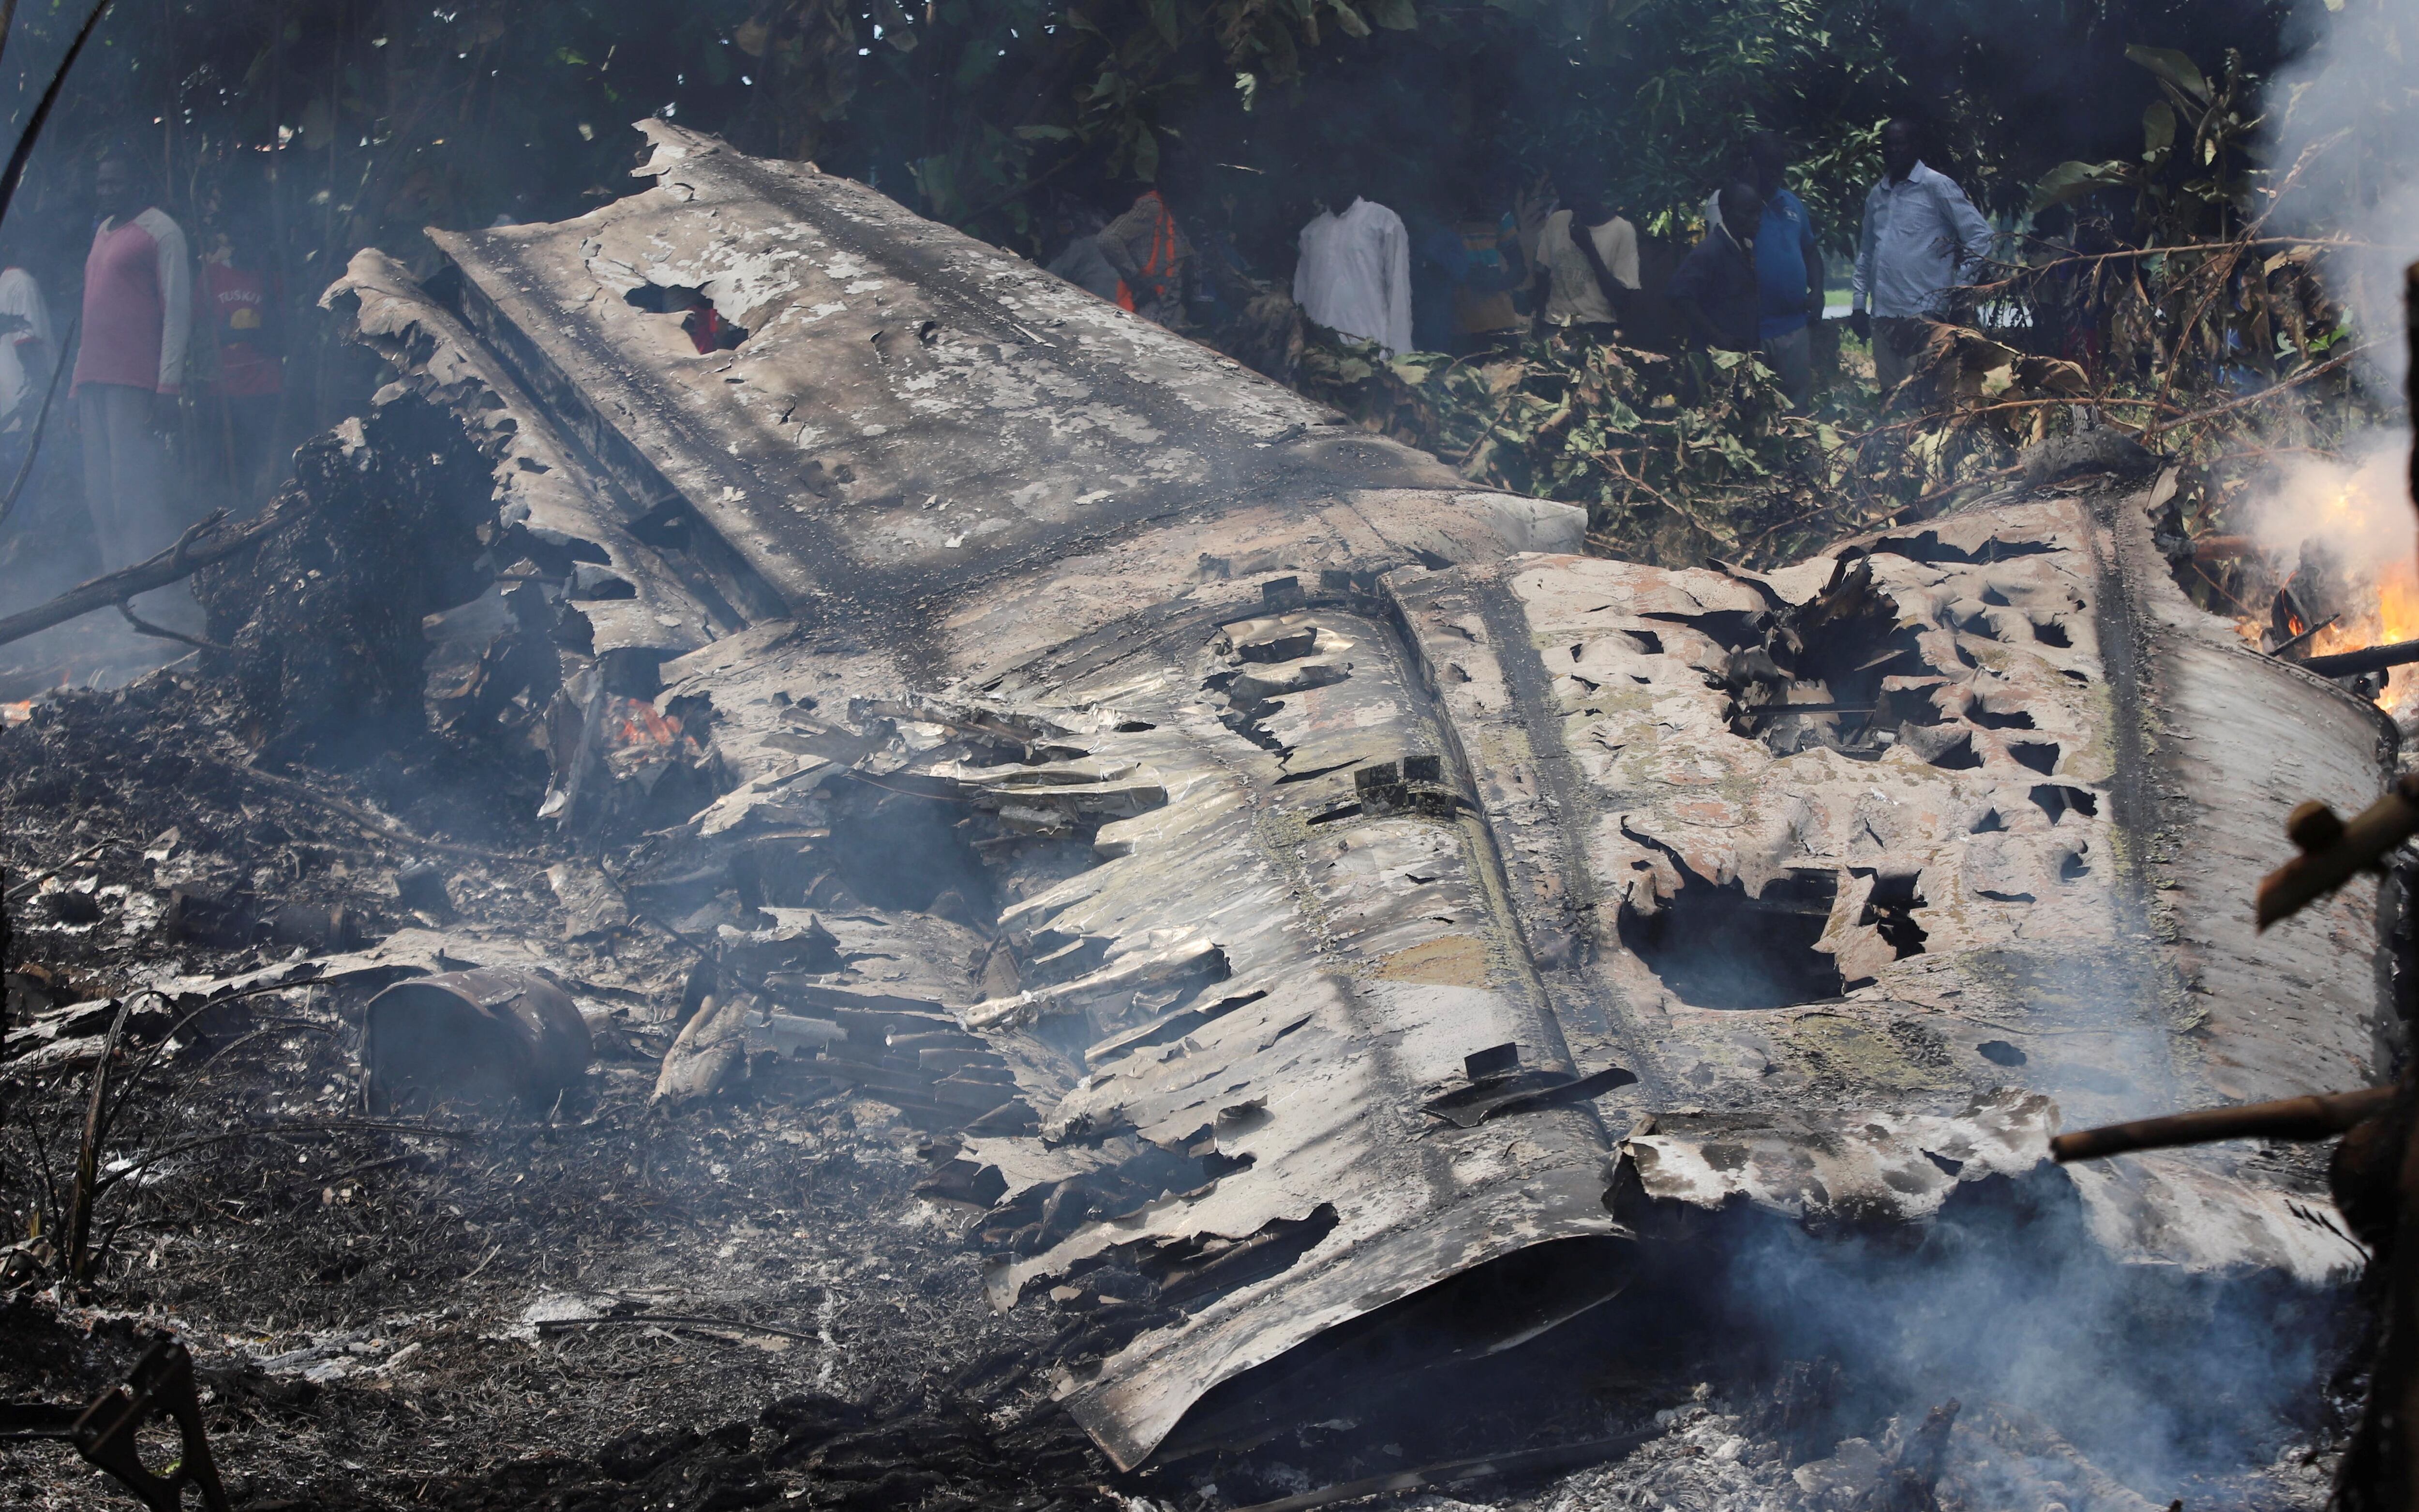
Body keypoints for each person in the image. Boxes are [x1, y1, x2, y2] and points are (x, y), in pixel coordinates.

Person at [73, 146, 191, 579]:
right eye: (101, 183)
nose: (106, 191)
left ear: (136, 184)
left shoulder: (162, 231)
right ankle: (113, 579)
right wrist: (75, 385)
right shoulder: (102, 232)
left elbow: (177, 312)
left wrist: (169, 386)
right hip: (93, 379)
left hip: (133, 379)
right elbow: (90, 313)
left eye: (115, 183)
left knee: (131, 486)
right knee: (98, 490)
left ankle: (146, 578)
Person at [1851, 119, 1994, 397]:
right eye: (1888, 145)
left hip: (1926, 319)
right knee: (1892, 402)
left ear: (1915, 146)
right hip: (1883, 319)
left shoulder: (1937, 186)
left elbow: (1982, 236)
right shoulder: (1877, 195)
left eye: (1900, 143)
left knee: (1927, 403)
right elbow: (1867, 253)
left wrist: (1958, 291)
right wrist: (1859, 305)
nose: (1893, 150)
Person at [195, 228, 284, 510]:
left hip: (263, 387)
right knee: (223, 465)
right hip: (222, 388)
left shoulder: (271, 278)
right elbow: (200, 331)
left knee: (259, 462)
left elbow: (277, 335)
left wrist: (242, 334)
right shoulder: (211, 276)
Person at [1743, 133, 1825, 404]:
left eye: (1779, 168)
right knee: (1754, 407)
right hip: (1753, 331)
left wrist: (1818, 291)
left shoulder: (1791, 204)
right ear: (1752, 165)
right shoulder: (1734, 204)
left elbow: (1811, 251)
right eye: (1768, 167)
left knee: (1795, 407)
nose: (1775, 175)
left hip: (1793, 326)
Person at [1292, 174, 1412, 358]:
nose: (1339, 182)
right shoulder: (1312, 233)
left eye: (1345, 175)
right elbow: (1301, 297)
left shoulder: (1383, 222)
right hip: (1320, 353)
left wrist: (1400, 356)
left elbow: (1398, 291)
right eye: (1333, 176)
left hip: (1370, 348)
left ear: (1357, 179)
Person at [1407, 188, 1527, 355]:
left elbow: (1520, 269)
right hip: (1457, 329)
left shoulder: (1497, 214)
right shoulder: (1435, 219)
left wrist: (1495, 283)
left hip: (1500, 322)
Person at [1534, 183, 1640, 343]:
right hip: (1555, 325)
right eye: (1574, 196)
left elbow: (1621, 300)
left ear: (1599, 193)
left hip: (1598, 328)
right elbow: (1543, 273)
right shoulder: (1558, 221)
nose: (1577, 202)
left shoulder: (1622, 231)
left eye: (1584, 196)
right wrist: (1539, 320)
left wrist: (1589, 249)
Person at [1668, 182, 1764, 354]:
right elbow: (1680, 295)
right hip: (1715, 359)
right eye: (1749, 213)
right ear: (1726, 211)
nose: (1757, 219)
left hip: (1740, 355)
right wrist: (1718, 337)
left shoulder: (1745, 248)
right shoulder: (1711, 251)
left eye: (1759, 213)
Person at [1096, 186, 1193, 326]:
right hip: (1146, 301)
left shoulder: (1174, 211)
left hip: (1168, 301)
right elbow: (1108, 240)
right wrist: (1136, 279)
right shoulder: (1152, 206)